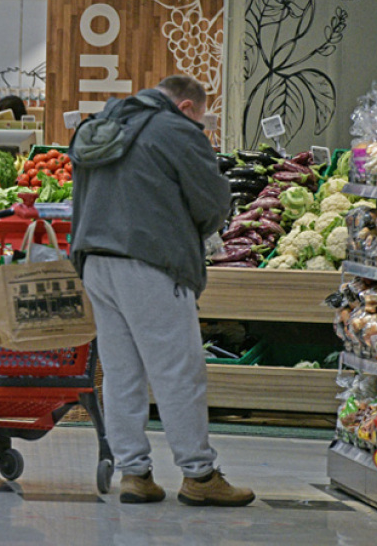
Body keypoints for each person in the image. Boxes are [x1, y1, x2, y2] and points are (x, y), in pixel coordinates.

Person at [69, 75, 254, 507]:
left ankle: (133, 473)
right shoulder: (176, 130)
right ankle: (199, 474)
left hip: (96, 261)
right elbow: (211, 201)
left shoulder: (102, 123)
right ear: (188, 107)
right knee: (178, 371)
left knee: (120, 373)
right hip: (149, 261)